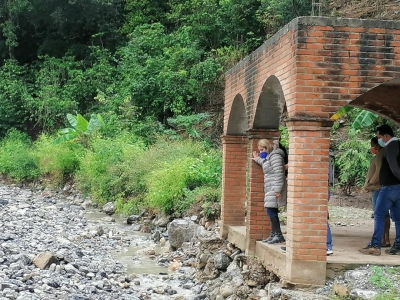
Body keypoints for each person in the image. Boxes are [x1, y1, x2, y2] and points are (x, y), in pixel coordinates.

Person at [359, 124, 400, 256]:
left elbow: (394, 168)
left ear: (386, 136)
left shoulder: (390, 147)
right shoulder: (398, 145)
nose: (379, 140)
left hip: (389, 188)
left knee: (378, 215)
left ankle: (375, 245)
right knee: (398, 218)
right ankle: (398, 245)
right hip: (397, 188)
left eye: (380, 137)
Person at [252, 139, 287, 244]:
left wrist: (277, 190)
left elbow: (279, 174)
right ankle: (274, 234)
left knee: (271, 211)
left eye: (262, 149)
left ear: (267, 147)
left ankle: (278, 235)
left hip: (274, 187)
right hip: (270, 187)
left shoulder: (275, 156)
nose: (261, 151)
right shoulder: (269, 157)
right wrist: (257, 158)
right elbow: (265, 163)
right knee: (271, 211)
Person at [364, 137, 390, 247]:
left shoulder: (380, 154)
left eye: (373, 145)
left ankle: (379, 241)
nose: (372, 148)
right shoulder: (382, 154)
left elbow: (378, 173)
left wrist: (369, 184)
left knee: (379, 215)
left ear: (376, 145)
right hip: (378, 187)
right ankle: (385, 239)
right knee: (384, 215)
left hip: (377, 188)